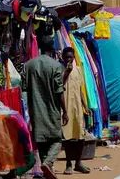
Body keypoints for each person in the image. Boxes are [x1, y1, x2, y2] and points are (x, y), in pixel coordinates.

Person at [25, 36, 68, 179]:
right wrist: (65, 111)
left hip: (36, 108)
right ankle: (48, 163)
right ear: (52, 48)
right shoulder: (56, 66)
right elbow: (59, 91)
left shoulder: (29, 65)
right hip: (52, 108)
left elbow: (24, 89)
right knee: (57, 139)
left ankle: (45, 168)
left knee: (41, 139)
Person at [61, 47, 90, 175]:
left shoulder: (78, 70)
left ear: (74, 58)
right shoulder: (60, 70)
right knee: (67, 136)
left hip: (77, 107)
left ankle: (78, 163)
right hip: (66, 108)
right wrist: (66, 72)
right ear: (63, 58)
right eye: (67, 57)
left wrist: (85, 106)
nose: (69, 59)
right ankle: (68, 164)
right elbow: (59, 86)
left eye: (71, 57)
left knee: (80, 135)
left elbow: (80, 90)